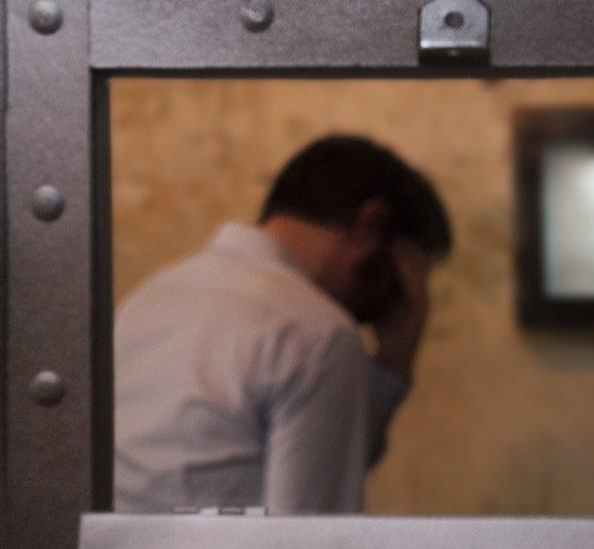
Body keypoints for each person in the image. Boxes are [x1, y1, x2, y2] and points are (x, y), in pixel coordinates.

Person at [113, 136, 452, 514]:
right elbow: (314, 535)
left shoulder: (149, 296)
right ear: (369, 225)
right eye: (408, 273)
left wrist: (390, 363)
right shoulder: (319, 334)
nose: (399, 299)